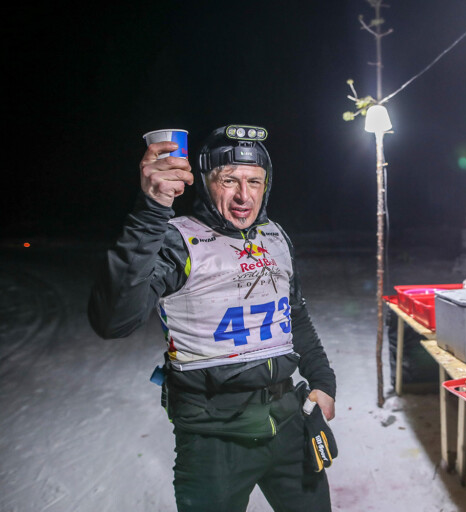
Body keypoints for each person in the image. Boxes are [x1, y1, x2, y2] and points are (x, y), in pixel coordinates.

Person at [88, 124, 336, 511]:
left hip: (288, 421)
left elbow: (296, 317)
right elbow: (114, 321)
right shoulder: (177, 240)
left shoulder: (275, 236)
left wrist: (323, 381)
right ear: (205, 182)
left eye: (254, 181)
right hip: (213, 438)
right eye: (229, 180)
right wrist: (151, 211)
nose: (243, 196)